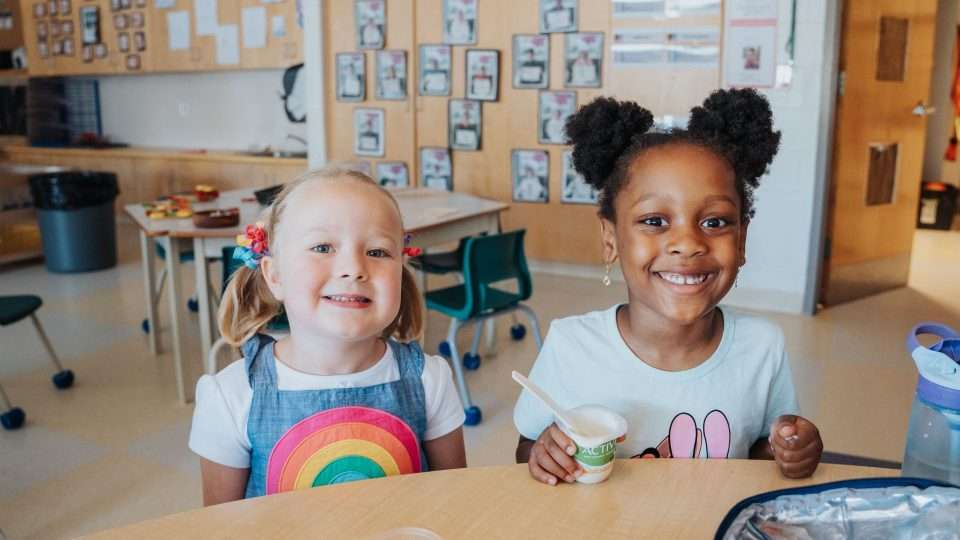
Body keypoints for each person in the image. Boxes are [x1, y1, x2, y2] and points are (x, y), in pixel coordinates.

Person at [514, 89, 823, 485]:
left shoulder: (762, 347)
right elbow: (526, 448)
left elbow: (762, 448)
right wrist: (543, 453)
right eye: (655, 221)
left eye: (714, 222)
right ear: (610, 239)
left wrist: (792, 449)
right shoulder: (571, 345)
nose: (689, 243)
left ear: (742, 240)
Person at [189, 167, 467, 505]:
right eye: (322, 247)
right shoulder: (231, 396)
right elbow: (221, 528)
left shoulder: (430, 380)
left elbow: (454, 505)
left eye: (377, 252)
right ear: (274, 275)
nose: (353, 268)